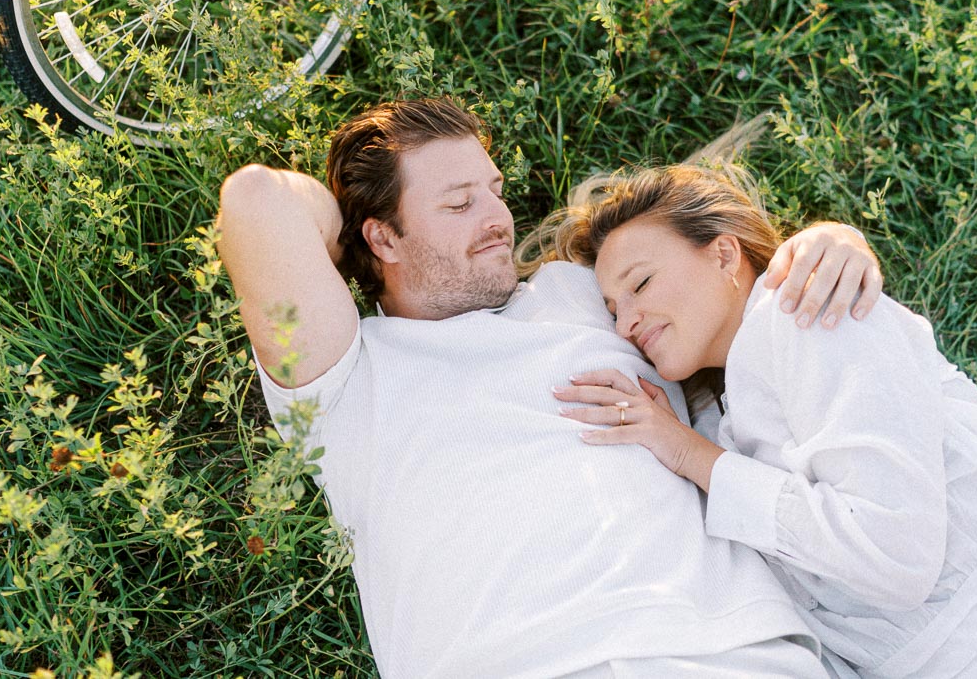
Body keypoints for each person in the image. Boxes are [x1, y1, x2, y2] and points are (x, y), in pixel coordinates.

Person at [215, 97, 884, 678]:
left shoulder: (587, 293)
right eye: (459, 202)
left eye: (495, 190)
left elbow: (730, 288)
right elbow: (257, 200)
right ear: (382, 236)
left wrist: (830, 240)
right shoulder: (349, 379)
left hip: (727, 647)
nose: (498, 217)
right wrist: (349, 223)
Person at [543, 162, 977, 678]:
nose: (626, 325)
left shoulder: (807, 313)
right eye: (614, 312)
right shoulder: (717, 407)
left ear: (724, 253)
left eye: (640, 284)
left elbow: (895, 555)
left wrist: (690, 456)